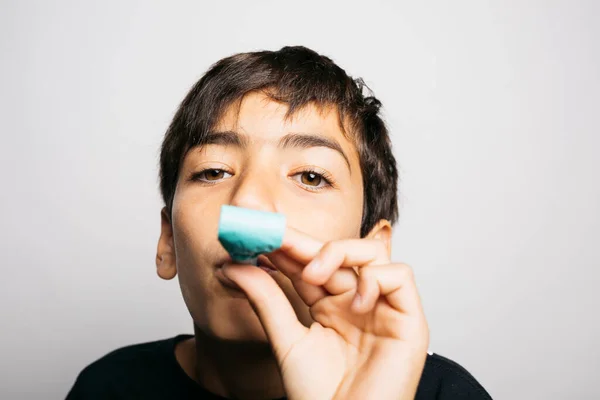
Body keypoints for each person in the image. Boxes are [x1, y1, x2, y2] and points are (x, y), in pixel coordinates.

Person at [66, 46, 492, 399]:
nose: (248, 200)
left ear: (371, 250)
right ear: (168, 243)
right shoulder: (106, 387)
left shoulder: (447, 394)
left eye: (310, 176)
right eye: (214, 171)